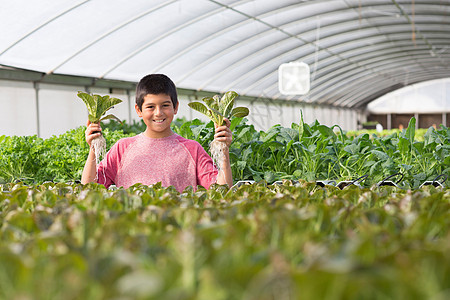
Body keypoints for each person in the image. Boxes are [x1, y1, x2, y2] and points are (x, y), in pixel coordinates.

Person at [81, 74, 233, 191]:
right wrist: (94, 149)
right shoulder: (122, 148)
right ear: (138, 110)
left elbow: (221, 191)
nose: (158, 113)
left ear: (176, 107)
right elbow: (89, 188)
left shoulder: (193, 150)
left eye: (165, 105)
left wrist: (223, 150)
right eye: (150, 107)